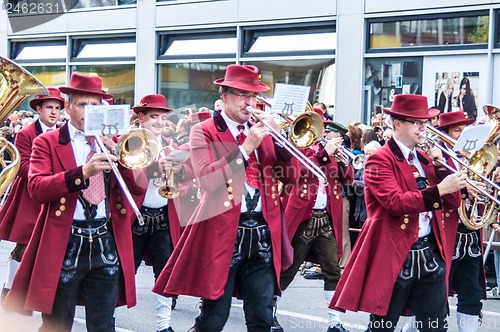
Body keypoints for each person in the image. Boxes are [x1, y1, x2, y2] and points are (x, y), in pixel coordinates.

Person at [153, 64, 296, 332]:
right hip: (223, 233)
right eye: (242, 95)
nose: (250, 103)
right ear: (225, 95)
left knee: (263, 317)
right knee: (214, 318)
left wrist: (283, 142)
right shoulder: (205, 130)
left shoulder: (262, 129)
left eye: (254, 96)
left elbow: (292, 181)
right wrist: (245, 148)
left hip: (262, 234)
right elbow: (207, 179)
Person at [3, 72, 145, 331]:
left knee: (104, 324)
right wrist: (82, 173)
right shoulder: (47, 141)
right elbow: (37, 188)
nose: (89, 112)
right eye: (82, 105)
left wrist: (119, 154)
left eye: (96, 106)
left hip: (104, 240)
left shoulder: (112, 142)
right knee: (58, 322)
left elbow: (138, 185)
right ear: (68, 106)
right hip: (65, 240)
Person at [330, 94, 467, 332]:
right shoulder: (379, 159)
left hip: (429, 253)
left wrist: (443, 168)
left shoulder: (426, 158)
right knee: (383, 327)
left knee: (435, 327)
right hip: (393, 252)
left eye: (425, 123)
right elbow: (395, 202)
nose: (424, 129)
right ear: (397, 124)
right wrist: (439, 190)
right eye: (417, 123)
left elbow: (453, 203)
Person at [273, 114, 354, 332]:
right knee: (288, 269)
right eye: (320, 131)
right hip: (303, 219)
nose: (321, 135)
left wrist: (345, 163)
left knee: (332, 270)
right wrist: (324, 155)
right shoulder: (299, 150)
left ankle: (335, 322)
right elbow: (297, 173)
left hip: (326, 218)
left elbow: (348, 181)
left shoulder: (327, 153)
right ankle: (270, 313)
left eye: (324, 131)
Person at [131, 94, 192, 332]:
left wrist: (181, 167)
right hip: (136, 217)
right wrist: (157, 166)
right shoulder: (132, 142)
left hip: (163, 217)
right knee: (125, 270)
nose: (159, 122)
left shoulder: (170, 145)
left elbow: (188, 173)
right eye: (153, 116)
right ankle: (109, 319)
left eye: (162, 117)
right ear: (141, 117)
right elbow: (133, 177)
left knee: (165, 272)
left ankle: (164, 324)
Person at [0, 87, 64, 302]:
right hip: (30, 195)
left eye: (57, 108)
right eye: (49, 108)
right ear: (39, 109)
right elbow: (23, 165)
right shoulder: (26, 133)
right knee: (24, 244)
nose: (54, 112)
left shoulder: (63, 133)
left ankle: (43, 292)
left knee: (53, 246)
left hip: (55, 194)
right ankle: (9, 290)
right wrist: (49, 176)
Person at [435, 110, 484, 331]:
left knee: (472, 294)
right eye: (457, 130)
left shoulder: (475, 159)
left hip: (470, 235)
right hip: (446, 234)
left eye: (466, 130)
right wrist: (465, 190)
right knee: (435, 296)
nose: (463, 135)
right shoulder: (436, 160)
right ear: (445, 133)